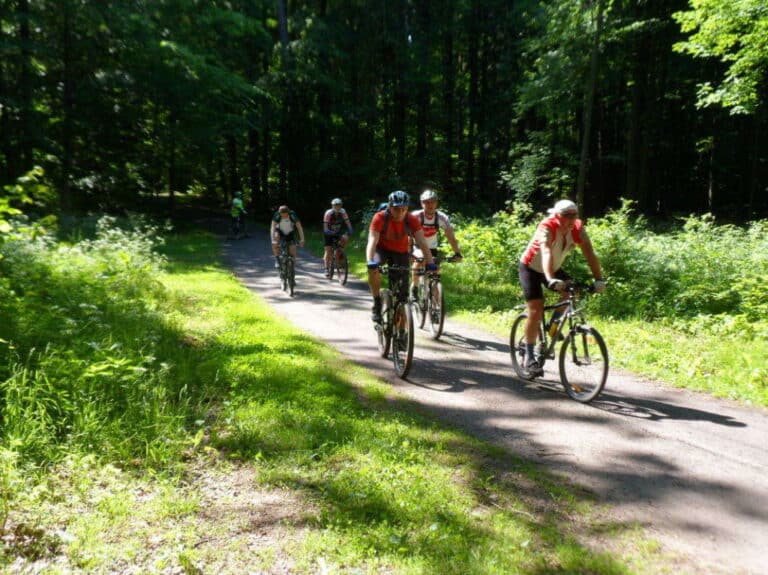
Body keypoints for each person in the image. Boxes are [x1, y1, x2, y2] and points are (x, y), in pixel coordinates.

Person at [518, 199, 606, 376]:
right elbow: (546, 251)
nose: (572, 219)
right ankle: (529, 356)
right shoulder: (547, 225)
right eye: (567, 215)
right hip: (531, 268)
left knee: (572, 291)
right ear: (557, 216)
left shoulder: (577, 228)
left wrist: (599, 279)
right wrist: (550, 278)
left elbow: (589, 252)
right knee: (536, 309)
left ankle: (552, 326)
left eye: (574, 215)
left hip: (553, 267)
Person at [366, 190, 437, 322]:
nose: (400, 213)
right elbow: (372, 240)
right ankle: (376, 302)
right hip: (380, 250)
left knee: (402, 299)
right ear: (389, 207)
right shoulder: (380, 217)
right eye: (396, 209)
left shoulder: (411, 219)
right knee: (372, 269)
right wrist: (370, 261)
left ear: (407, 208)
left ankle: (402, 334)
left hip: (400, 252)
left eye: (404, 209)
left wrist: (430, 262)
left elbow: (422, 242)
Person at [410, 189, 463, 298]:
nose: (430, 205)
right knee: (420, 259)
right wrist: (408, 251)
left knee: (436, 272)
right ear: (421, 203)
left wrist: (457, 253)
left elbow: (451, 237)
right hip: (417, 246)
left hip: (432, 248)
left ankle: (436, 303)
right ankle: (414, 287)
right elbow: (407, 235)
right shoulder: (416, 216)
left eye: (432, 201)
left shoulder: (442, 217)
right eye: (426, 202)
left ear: (436, 203)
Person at [323, 198, 354, 277]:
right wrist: (327, 231)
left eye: (339, 205)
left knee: (345, 238)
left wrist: (350, 229)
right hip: (328, 232)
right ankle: (326, 268)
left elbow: (347, 222)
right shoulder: (328, 213)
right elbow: (325, 225)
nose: (338, 207)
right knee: (328, 250)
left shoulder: (343, 211)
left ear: (341, 205)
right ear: (332, 206)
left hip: (337, 231)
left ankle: (340, 253)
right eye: (336, 205)